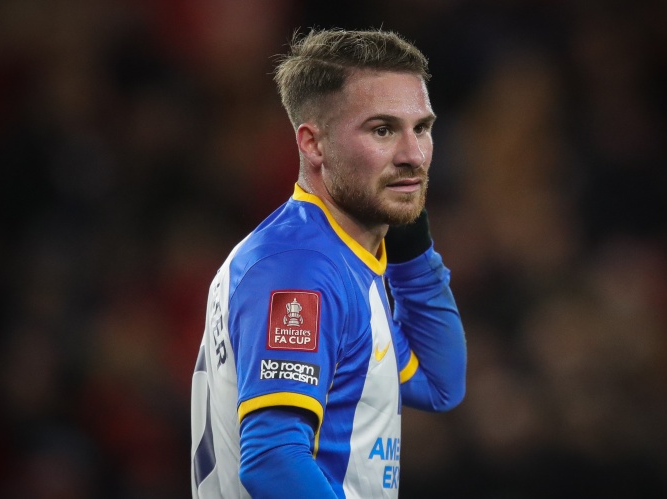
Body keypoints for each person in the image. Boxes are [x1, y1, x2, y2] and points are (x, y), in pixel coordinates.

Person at [190, 28, 467, 498]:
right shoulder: (300, 270)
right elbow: (272, 459)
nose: (414, 155)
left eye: (421, 128)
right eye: (382, 130)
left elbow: (440, 384)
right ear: (313, 144)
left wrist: (412, 248)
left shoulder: (340, 258)